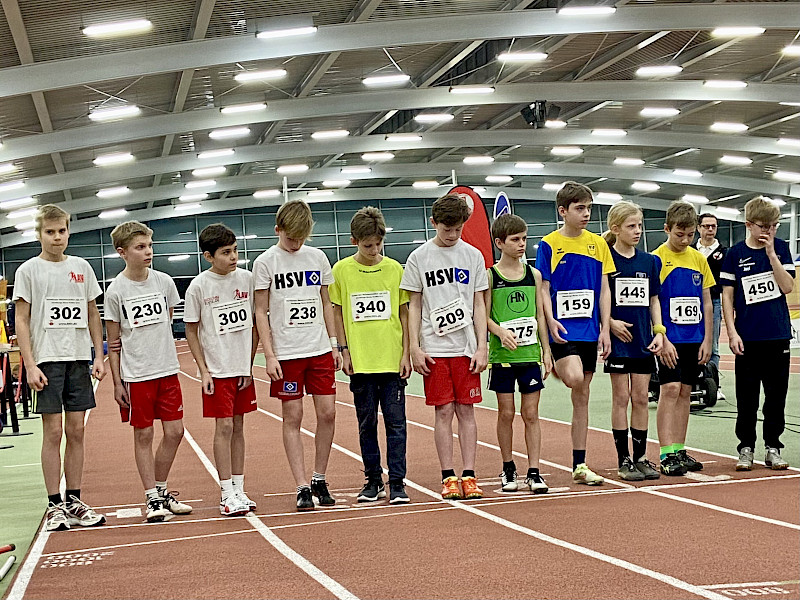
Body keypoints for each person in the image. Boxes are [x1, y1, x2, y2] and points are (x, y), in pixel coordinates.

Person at [13, 204, 107, 531]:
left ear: (69, 231)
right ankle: (54, 504)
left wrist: (98, 355)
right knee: (53, 432)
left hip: (79, 358)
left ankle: (75, 500)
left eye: (62, 231)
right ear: (39, 234)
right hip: (47, 362)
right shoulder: (28, 271)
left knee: (77, 430)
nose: (57, 238)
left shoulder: (82, 267)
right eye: (50, 232)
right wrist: (29, 363)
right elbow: (21, 319)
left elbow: (92, 313)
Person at [253, 200, 342, 512]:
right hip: (288, 353)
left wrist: (334, 344)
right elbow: (260, 311)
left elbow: (326, 302)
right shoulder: (265, 262)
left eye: (302, 238)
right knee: (293, 417)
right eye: (291, 238)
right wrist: (269, 355)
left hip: (318, 348)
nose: (296, 244)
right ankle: (301, 485)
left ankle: (320, 477)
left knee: (328, 413)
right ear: (278, 230)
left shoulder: (317, 257)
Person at [401, 193, 489, 500]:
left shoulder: (473, 256)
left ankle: (470, 474)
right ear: (433, 223)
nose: (452, 235)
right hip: (435, 349)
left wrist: (482, 346)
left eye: (458, 229)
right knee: (443, 411)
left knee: (467, 411)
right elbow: (413, 304)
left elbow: (479, 304)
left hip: (465, 349)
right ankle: (448, 476)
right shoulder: (419, 258)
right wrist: (414, 347)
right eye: (446, 229)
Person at [104, 221, 193, 523]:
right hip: (136, 374)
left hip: (167, 370)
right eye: (140, 247)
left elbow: (166, 322)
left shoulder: (164, 282)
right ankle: (151, 497)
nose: (148, 252)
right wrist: (117, 383)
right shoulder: (116, 291)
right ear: (122, 252)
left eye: (150, 246)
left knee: (175, 432)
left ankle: (162, 490)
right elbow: (113, 342)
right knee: (143, 434)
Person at [330, 206, 412, 504]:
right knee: (366, 424)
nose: (374, 250)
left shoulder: (394, 270)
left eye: (378, 244)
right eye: (367, 246)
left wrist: (406, 353)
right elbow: (338, 313)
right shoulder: (341, 271)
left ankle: (398, 482)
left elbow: (404, 313)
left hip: (391, 361)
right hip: (361, 362)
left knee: (396, 424)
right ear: (354, 241)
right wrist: (343, 349)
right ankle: (373, 480)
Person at [535, 182, 614, 486]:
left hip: (590, 329)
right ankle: (558, 366)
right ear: (563, 211)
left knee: (582, 398)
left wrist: (605, 327)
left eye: (589, 208)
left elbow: (604, 288)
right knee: (575, 378)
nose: (586, 214)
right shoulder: (549, 244)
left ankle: (579, 464)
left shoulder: (598, 244)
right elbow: (543, 286)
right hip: (563, 329)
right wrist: (551, 319)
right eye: (580, 208)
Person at [185, 223, 259, 516]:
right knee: (224, 426)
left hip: (242, 368)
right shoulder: (199, 287)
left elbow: (255, 322)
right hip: (217, 369)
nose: (233, 257)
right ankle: (226, 492)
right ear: (208, 256)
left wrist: (248, 365)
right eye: (226, 253)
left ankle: (239, 488)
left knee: (239, 426)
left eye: (235, 251)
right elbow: (191, 331)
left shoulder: (248, 280)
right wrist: (203, 370)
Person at [721, 197, 795, 471]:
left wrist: (772, 254)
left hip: (777, 336)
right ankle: (746, 448)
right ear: (749, 225)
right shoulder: (734, 254)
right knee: (747, 398)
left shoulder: (783, 250)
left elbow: (787, 287)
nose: (769, 231)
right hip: (748, 337)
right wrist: (731, 332)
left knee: (776, 397)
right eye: (763, 226)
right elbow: (727, 297)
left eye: (774, 226)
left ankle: (773, 446)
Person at [485, 214, 552, 494]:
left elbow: (539, 315)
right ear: (500, 243)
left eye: (524, 239)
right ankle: (508, 466)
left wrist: (547, 351)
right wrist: (500, 332)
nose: (521, 244)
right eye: (515, 240)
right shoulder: (491, 276)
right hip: (502, 356)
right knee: (506, 412)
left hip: (529, 355)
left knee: (531, 413)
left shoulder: (533, 275)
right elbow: (483, 315)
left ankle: (534, 471)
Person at [602, 202, 664, 481]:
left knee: (641, 397)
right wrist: (610, 323)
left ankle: (640, 456)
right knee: (621, 398)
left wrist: (659, 331)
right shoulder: (606, 260)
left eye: (639, 225)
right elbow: (599, 297)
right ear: (615, 229)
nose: (637, 231)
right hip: (618, 341)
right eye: (631, 226)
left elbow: (653, 299)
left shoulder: (649, 261)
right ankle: (623, 459)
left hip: (642, 339)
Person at [652, 201, 714, 476]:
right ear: (667, 229)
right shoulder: (657, 259)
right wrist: (662, 337)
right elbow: (652, 302)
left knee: (686, 392)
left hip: (694, 337)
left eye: (690, 235)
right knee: (670, 390)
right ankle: (665, 452)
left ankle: (679, 448)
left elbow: (707, 303)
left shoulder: (699, 259)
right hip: (670, 339)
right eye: (680, 234)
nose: (685, 240)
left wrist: (707, 340)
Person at [695, 213, 727, 397]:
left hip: (713, 302)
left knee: (712, 345)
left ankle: (715, 386)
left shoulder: (724, 252)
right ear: (699, 228)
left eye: (713, 226)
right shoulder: (691, 250)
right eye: (706, 226)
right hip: (690, 302)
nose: (710, 230)